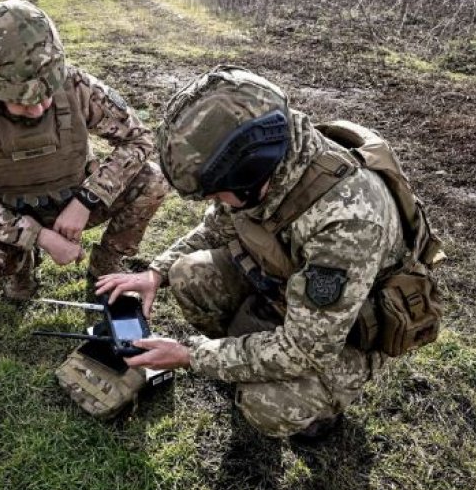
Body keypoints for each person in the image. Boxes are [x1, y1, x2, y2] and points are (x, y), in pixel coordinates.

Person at [96, 65, 442, 438]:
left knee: (268, 407)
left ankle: (317, 416)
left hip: (345, 336)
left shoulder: (346, 220)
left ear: (251, 170)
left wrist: (190, 355)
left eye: (215, 192)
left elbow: (306, 349)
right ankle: (247, 356)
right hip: (293, 296)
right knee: (187, 273)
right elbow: (217, 226)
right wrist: (156, 272)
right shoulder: (271, 167)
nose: (212, 200)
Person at [0, 0, 167, 299]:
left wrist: (86, 201)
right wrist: (39, 236)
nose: (39, 108)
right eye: (23, 101)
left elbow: (138, 139)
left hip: (73, 199)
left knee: (153, 180)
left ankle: (106, 263)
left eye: (46, 94)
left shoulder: (76, 85)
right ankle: (20, 267)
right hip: (9, 213)